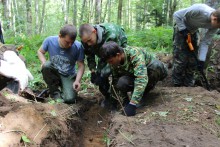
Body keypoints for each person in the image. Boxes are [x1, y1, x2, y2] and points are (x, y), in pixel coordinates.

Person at [100, 41, 168, 116]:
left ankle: (145, 92)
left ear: (118, 55)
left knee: (156, 66)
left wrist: (132, 104)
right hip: (134, 75)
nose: (110, 64)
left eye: (111, 61)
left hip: (153, 71)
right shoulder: (114, 63)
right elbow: (115, 82)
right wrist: (123, 102)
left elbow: (141, 79)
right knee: (121, 82)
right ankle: (138, 95)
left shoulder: (134, 53)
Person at [79, 23, 127, 107]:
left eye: (90, 40)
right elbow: (90, 55)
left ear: (94, 32)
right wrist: (93, 71)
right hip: (103, 53)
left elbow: (113, 59)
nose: (88, 44)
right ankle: (108, 97)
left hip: (117, 50)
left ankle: (121, 98)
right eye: (86, 42)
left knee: (116, 72)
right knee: (99, 75)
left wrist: (103, 74)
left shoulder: (111, 35)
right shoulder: (85, 41)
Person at [172, 4, 220, 87]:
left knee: (193, 59)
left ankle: (189, 84)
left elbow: (205, 42)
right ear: (214, 19)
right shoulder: (199, 10)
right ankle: (177, 83)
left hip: (193, 31)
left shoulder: (215, 26)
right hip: (181, 27)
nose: (218, 28)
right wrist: (183, 30)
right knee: (180, 57)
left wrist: (201, 60)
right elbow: (176, 15)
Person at [37, 24, 85, 104]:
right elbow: (40, 52)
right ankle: (54, 92)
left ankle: (64, 90)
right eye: (67, 42)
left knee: (70, 99)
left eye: (72, 42)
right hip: (54, 72)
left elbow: (81, 65)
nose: (70, 45)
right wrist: (43, 62)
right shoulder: (50, 41)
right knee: (46, 66)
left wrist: (77, 81)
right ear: (60, 36)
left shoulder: (78, 46)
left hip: (68, 75)